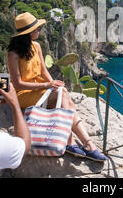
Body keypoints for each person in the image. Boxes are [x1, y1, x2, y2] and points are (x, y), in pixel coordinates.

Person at [7, 12, 107, 162]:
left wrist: (55, 84)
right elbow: (17, 83)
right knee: (64, 97)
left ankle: (85, 144)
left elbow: (43, 70)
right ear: (27, 33)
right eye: (36, 29)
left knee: (63, 94)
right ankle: (77, 143)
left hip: (39, 89)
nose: (39, 31)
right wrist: (48, 85)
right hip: (24, 94)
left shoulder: (37, 46)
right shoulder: (13, 54)